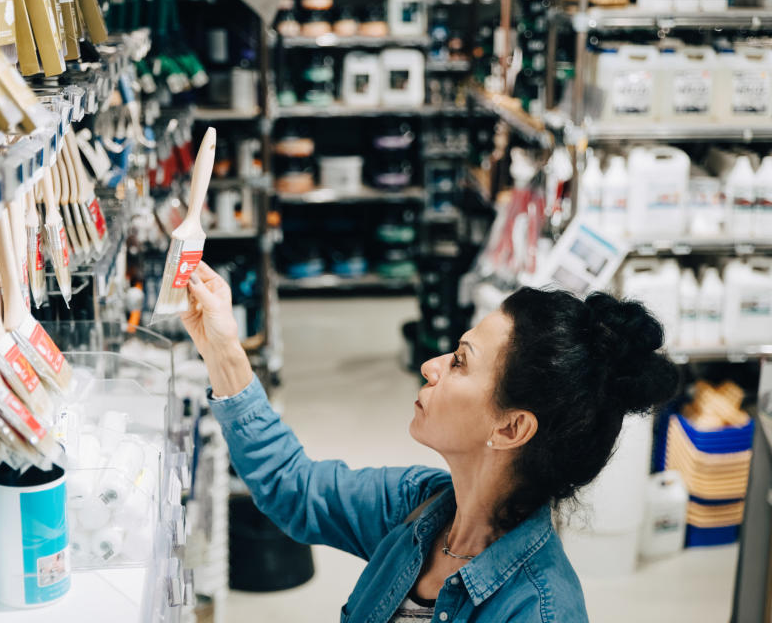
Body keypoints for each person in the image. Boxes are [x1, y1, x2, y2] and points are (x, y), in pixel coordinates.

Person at [181, 262, 679, 623]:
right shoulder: (421, 507)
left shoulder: (540, 610)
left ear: (510, 429)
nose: (431, 365)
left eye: (460, 361)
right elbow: (294, 488)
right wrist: (223, 348)